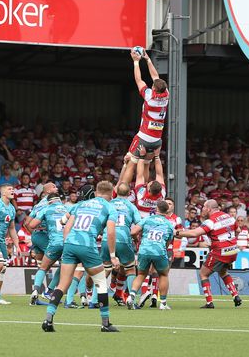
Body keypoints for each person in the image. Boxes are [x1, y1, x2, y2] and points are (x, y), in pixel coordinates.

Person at [42, 181, 120, 333]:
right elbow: (110, 232)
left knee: (62, 284)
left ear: (96, 192)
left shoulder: (80, 205)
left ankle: (48, 320)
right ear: (111, 195)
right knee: (101, 283)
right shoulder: (110, 207)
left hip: (70, 244)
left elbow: (64, 223)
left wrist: (67, 243)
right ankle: (105, 324)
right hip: (87, 245)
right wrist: (113, 256)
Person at [175, 200, 242, 309]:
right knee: (223, 271)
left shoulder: (210, 221)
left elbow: (194, 233)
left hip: (220, 251)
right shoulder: (228, 216)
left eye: (204, 208)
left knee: (203, 274)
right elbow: (238, 230)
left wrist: (177, 233)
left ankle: (209, 302)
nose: (202, 210)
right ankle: (235, 295)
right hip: (233, 250)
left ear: (209, 209)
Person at [120, 50, 169, 186]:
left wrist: (136, 62)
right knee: (146, 164)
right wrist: (148, 60)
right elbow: (156, 77)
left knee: (131, 162)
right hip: (157, 140)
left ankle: (122, 191)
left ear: (153, 88)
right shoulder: (166, 95)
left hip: (144, 136)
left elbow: (138, 80)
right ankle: (143, 188)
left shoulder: (149, 96)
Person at [127, 200, 175, 310]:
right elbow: (168, 242)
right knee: (163, 275)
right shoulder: (169, 224)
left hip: (144, 250)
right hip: (159, 251)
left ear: (156, 209)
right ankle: (163, 303)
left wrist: (137, 240)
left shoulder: (147, 219)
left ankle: (131, 296)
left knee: (141, 275)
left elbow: (133, 232)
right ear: (167, 211)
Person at [27, 192, 69, 305]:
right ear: (59, 200)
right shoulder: (67, 208)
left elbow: (31, 225)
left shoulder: (45, 209)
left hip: (54, 243)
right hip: (67, 243)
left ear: (49, 201)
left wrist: (45, 224)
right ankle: (49, 290)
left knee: (43, 267)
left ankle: (35, 290)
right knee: (65, 267)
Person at [105, 182, 142, 305]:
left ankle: (94, 300)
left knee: (104, 270)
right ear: (129, 193)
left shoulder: (108, 204)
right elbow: (138, 225)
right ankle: (132, 300)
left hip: (107, 239)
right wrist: (136, 238)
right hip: (123, 239)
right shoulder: (131, 207)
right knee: (130, 270)